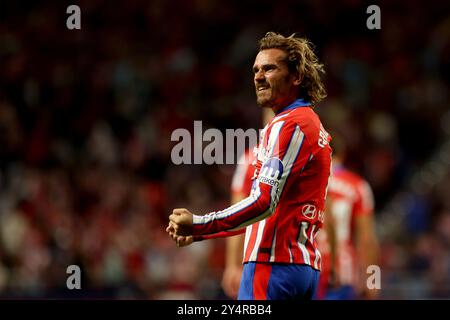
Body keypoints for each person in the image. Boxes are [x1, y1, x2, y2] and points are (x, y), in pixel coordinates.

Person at [166, 31, 331, 300]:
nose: (258, 76)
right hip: (301, 268)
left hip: (272, 267)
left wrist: (198, 223)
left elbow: (262, 203)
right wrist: (201, 235)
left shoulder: (288, 125)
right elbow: (267, 215)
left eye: (269, 68)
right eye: (256, 69)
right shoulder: (312, 125)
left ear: (296, 77)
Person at [317, 136, 380, 300]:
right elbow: (367, 240)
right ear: (342, 155)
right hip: (342, 274)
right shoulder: (358, 186)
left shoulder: (306, 181)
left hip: (306, 268)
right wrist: (373, 282)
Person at [222, 108, 273, 299]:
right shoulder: (312, 156)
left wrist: (232, 265)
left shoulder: (250, 160)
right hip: (303, 263)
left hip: (261, 261)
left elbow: (236, 215)